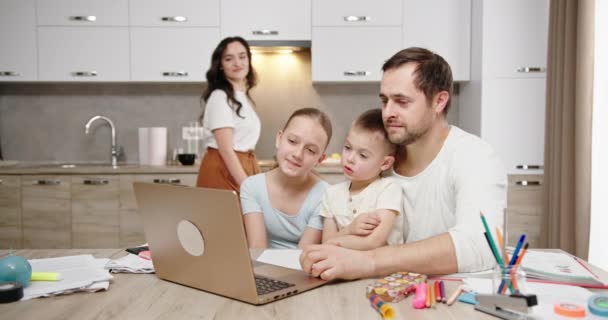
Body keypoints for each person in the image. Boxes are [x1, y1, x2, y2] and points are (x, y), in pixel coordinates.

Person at [300, 47, 507, 279]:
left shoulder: (475, 156)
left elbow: (481, 245)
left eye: (402, 101)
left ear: (439, 101)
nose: (388, 112)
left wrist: (369, 261)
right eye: (384, 100)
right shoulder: (378, 160)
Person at [240, 108, 333, 249]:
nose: (298, 154)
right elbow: (256, 249)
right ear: (279, 139)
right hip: (259, 267)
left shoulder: (326, 196)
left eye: (311, 150)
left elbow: (303, 257)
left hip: (302, 269)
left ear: (320, 159)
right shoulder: (252, 187)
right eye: (292, 141)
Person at [320, 109, 405, 250]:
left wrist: (334, 242)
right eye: (348, 147)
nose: (350, 158)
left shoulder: (388, 189)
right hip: (342, 266)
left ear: (385, 163)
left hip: (382, 267)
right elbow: (325, 243)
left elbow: (375, 242)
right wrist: (349, 230)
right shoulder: (331, 194)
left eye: (363, 155)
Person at [196, 36, 261, 193]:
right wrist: (247, 186)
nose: (237, 63)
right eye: (229, 59)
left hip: (239, 168)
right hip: (224, 170)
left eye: (242, 56)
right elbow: (225, 149)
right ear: (220, 65)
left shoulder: (241, 96)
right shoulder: (220, 96)